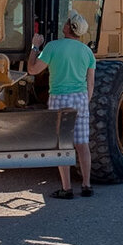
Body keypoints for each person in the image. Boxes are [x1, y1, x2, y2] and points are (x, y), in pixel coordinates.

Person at [28, 10, 96, 199]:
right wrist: (85, 101)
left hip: (60, 98)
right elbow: (90, 82)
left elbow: (32, 70)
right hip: (81, 98)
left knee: (62, 145)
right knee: (82, 145)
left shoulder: (52, 47)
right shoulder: (87, 52)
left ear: (68, 27)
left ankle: (66, 189)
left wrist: (35, 47)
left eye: (66, 22)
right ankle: (86, 185)